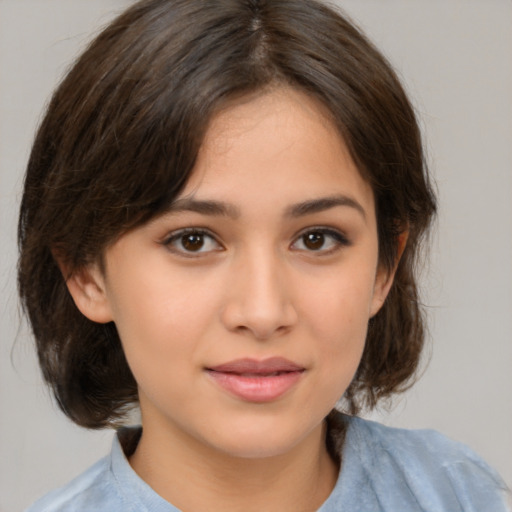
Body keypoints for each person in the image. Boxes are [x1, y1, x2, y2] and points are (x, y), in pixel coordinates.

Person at [17, 0, 510, 510]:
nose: (262, 312)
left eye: (316, 239)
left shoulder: (462, 493)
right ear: (85, 273)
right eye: (193, 240)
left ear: (385, 267)